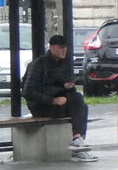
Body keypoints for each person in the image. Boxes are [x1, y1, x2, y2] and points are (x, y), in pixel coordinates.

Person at [22, 34, 94, 162]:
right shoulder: (38, 64)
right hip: (41, 106)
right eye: (61, 47)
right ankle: (77, 142)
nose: (64, 50)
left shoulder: (62, 64)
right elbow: (28, 91)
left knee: (81, 104)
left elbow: (60, 87)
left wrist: (68, 87)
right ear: (52, 47)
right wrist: (52, 100)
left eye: (65, 47)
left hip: (58, 103)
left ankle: (78, 140)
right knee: (77, 103)